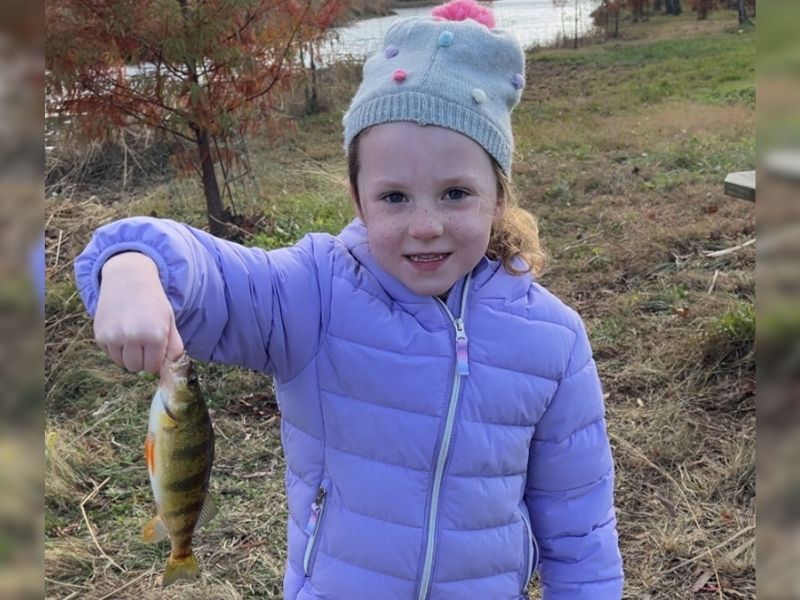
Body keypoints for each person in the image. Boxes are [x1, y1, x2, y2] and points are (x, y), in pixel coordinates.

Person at [74, 0, 624, 597]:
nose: (425, 225)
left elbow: (580, 528)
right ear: (358, 201)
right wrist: (131, 263)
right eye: (393, 197)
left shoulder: (554, 339)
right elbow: (209, 275)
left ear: (499, 196)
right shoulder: (312, 293)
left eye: (456, 193)